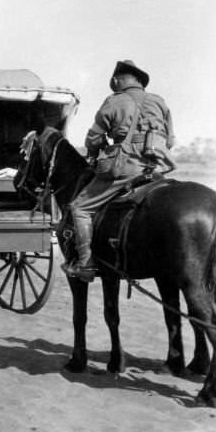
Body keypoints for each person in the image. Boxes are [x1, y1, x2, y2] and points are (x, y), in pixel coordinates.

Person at [64, 60, 175, 282]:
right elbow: (170, 140)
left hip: (126, 169)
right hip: (156, 168)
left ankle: (85, 264)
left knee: (79, 208)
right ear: (139, 81)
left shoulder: (114, 101)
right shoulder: (159, 101)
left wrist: (96, 152)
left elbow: (93, 139)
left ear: (117, 80)